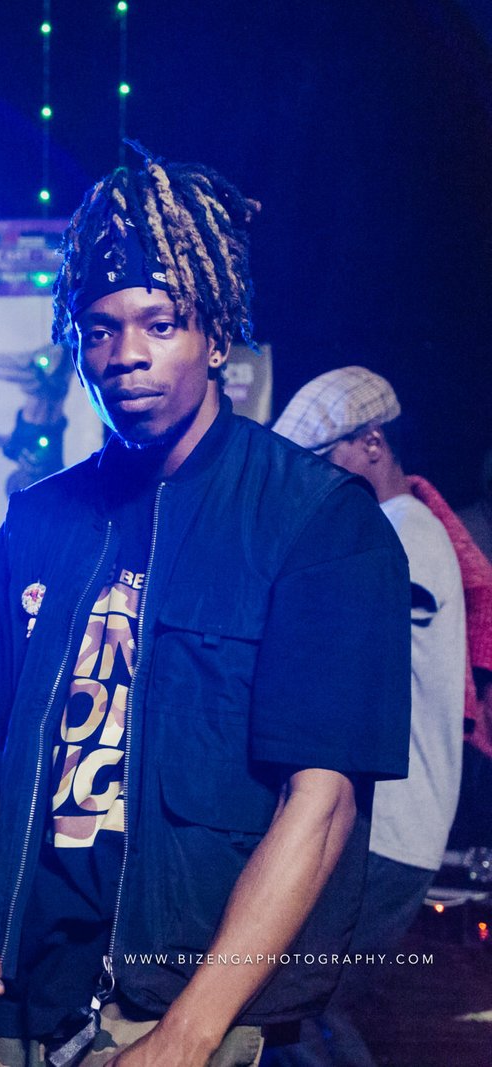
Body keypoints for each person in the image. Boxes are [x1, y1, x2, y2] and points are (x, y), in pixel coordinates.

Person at [0, 147, 410, 1067]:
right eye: (101, 329)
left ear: (217, 335)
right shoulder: (38, 519)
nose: (127, 354)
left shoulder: (316, 519)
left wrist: (188, 1032)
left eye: (160, 323)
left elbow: (321, 805)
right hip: (19, 997)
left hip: (188, 1014)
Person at [270, 367, 473, 1066]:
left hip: (390, 829)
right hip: (384, 824)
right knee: (302, 1006)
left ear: (372, 443)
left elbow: (335, 644)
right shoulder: (397, 528)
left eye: (321, 457)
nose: (311, 476)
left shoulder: (402, 534)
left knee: (293, 1005)